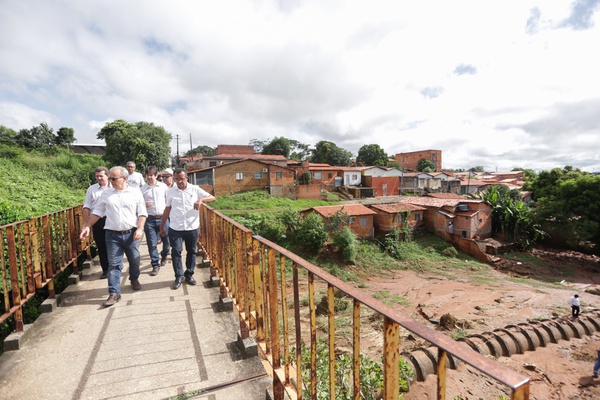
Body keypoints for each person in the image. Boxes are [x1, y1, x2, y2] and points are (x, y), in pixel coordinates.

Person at [79, 166, 148, 307]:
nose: (110, 181)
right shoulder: (107, 193)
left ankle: (134, 278)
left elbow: (142, 212)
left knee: (135, 260)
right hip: (112, 235)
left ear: (124, 178)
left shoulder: (135, 192)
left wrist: (140, 229)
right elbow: (98, 211)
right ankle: (114, 293)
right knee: (114, 265)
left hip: (131, 234)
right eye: (109, 178)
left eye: (113, 178)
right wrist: (87, 226)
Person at [160, 168, 215, 289]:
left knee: (192, 251)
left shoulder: (194, 189)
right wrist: (162, 226)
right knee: (176, 252)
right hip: (175, 227)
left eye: (182, 179)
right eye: (177, 179)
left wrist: (200, 199)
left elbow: (212, 197)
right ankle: (178, 276)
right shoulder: (170, 192)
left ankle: (189, 274)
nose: (179, 181)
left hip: (192, 227)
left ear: (187, 178)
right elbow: (167, 209)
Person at [82, 166, 111, 279]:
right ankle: (106, 269)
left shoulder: (114, 187)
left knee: (113, 244)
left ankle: (115, 266)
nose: (99, 178)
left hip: (112, 219)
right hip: (97, 221)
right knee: (102, 246)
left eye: (101, 176)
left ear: (107, 176)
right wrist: (85, 224)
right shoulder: (92, 189)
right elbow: (87, 206)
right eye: (97, 176)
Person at [141, 166, 168, 276]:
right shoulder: (142, 189)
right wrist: (144, 205)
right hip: (149, 219)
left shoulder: (163, 187)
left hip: (163, 217)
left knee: (167, 241)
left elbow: (168, 200)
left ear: (156, 175)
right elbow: (137, 204)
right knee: (152, 244)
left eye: (151, 175)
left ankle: (165, 255)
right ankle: (155, 265)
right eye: (147, 175)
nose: (149, 177)